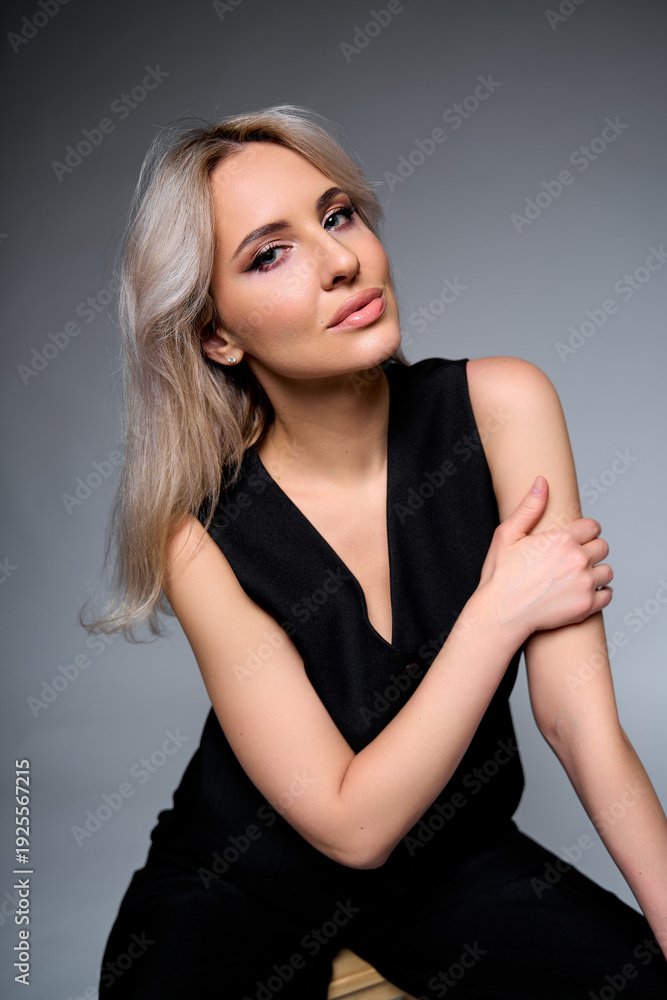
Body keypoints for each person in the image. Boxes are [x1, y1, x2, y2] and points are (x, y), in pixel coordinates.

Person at [82, 104, 667, 998]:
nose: (341, 261)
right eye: (270, 255)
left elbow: (577, 724)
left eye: (337, 215)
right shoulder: (195, 529)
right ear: (216, 336)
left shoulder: (502, 407)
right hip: (237, 896)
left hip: (452, 870)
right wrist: (496, 614)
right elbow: (351, 828)